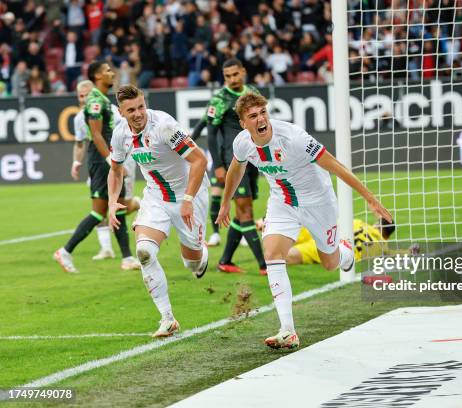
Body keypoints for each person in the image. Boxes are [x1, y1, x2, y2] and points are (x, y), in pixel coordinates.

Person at [217, 93, 392, 350]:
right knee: (273, 254)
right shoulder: (243, 142)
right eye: (253, 116)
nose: (261, 119)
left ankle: (345, 254)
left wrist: (371, 199)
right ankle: (287, 330)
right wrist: (224, 203)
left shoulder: (294, 137)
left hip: (318, 203)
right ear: (243, 123)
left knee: (330, 263)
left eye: (263, 112)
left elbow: (334, 165)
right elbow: (236, 168)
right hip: (282, 202)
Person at [108, 84, 210, 338]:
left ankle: (200, 255)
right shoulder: (120, 134)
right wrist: (112, 201)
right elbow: (116, 169)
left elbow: (199, 160)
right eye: (131, 110)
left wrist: (187, 198)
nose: (138, 113)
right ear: (121, 112)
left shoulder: (165, 125)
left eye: (141, 106)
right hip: (155, 197)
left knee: (192, 262)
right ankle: (167, 318)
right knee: (144, 252)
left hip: (190, 193)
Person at [54, 62, 139, 273]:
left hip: (107, 158)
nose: (112, 73)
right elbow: (96, 134)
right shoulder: (94, 99)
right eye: (108, 71)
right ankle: (64, 252)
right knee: (99, 212)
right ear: (98, 76)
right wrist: (112, 161)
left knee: (117, 207)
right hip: (101, 161)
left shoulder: (101, 99)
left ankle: (127, 257)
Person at [192, 58, 266, 275]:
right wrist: (218, 166)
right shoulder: (219, 99)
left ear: (243, 72)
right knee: (245, 211)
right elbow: (212, 134)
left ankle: (225, 261)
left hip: (253, 159)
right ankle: (265, 265)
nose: (232, 79)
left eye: (235, 74)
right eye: (228, 76)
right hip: (232, 160)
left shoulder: (251, 92)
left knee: (242, 211)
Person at [71, 79, 141, 261]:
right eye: (81, 96)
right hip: (101, 162)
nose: (85, 98)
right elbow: (80, 142)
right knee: (100, 205)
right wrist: (76, 163)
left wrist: (118, 160)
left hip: (121, 158)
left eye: (88, 94)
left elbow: (125, 129)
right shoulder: (80, 118)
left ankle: (139, 204)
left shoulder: (108, 108)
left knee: (121, 204)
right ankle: (107, 248)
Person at [286, 218, 395, 266]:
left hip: (326, 231)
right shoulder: (381, 247)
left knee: (285, 235)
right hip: (335, 248)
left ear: (377, 224)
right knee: (289, 255)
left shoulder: (360, 223)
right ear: (387, 236)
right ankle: (270, 263)